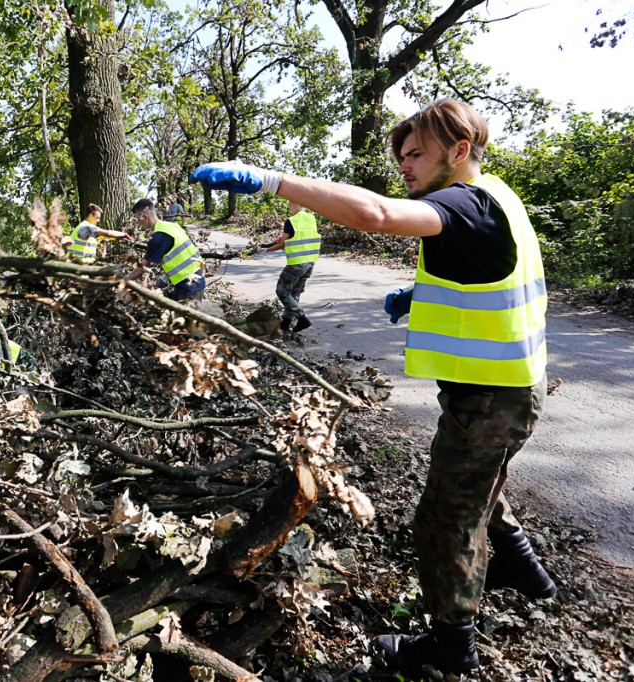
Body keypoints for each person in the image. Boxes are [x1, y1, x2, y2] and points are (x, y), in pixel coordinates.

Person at [190, 98, 554, 679]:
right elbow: (489, 266)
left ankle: (449, 647)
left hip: (491, 396)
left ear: (459, 152)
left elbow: (378, 216)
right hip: (505, 388)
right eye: (402, 155)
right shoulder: (496, 198)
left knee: (446, 518)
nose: (404, 166)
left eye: (417, 154)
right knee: (480, 482)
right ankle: (524, 570)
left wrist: (273, 180)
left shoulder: (461, 201)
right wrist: (423, 296)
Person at [125, 197, 206, 301]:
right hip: (197, 279)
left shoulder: (159, 238)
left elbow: (141, 268)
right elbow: (178, 259)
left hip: (188, 287)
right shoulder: (172, 226)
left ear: (145, 216)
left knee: (183, 316)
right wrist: (161, 281)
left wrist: (124, 281)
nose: (138, 223)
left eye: (138, 219)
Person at [264, 201, 320, 332]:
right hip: (310, 262)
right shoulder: (311, 218)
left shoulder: (291, 221)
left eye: (290, 204)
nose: (289, 207)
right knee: (294, 293)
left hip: (297, 263)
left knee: (282, 291)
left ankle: (302, 319)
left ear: (298, 204)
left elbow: (282, 244)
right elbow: (299, 237)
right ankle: (285, 324)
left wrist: (266, 249)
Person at [67, 203, 132, 264]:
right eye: (97, 218)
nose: (98, 220)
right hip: (79, 264)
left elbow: (100, 238)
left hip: (77, 263)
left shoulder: (82, 227)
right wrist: (124, 234)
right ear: (90, 216)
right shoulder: (87, 227)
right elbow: (108, 233)